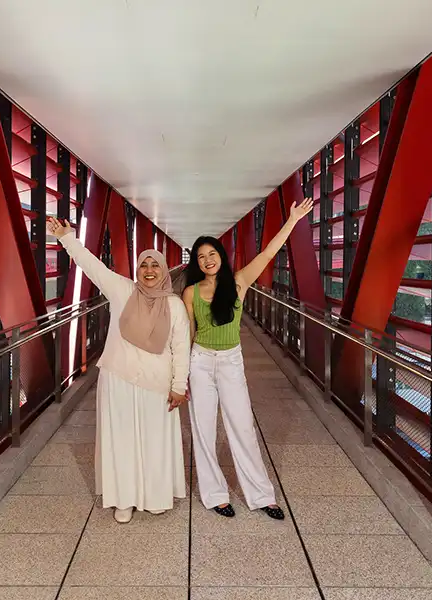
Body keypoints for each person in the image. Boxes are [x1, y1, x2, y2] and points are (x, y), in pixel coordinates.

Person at [47, 217, 190, 524]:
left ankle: (154, 496)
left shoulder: (175, 306)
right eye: (144, 266)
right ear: (137, 270)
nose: (149, 271)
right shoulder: (122, 291)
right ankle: (123, 499)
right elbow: (92, 265)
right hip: (119, 378)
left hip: (157, 384)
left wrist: (179, 385)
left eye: (155, 266)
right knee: (121, 440)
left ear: (164, 271)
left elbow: (181, 348)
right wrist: (66, 238)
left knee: (154, 440)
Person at [183, 199, 314, 519]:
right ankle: (215, 495)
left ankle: (261, 495)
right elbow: (187, 333)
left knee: (242, 426)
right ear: (196, 264)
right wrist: (181, 373)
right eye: (201, 257)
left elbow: (269, 253)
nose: (207, 260)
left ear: (220, 256)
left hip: (230, 362)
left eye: (211, 254)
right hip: (199, 362)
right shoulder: (190, 292)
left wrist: (293, 220)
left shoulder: (239, 281)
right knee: (202, 429)